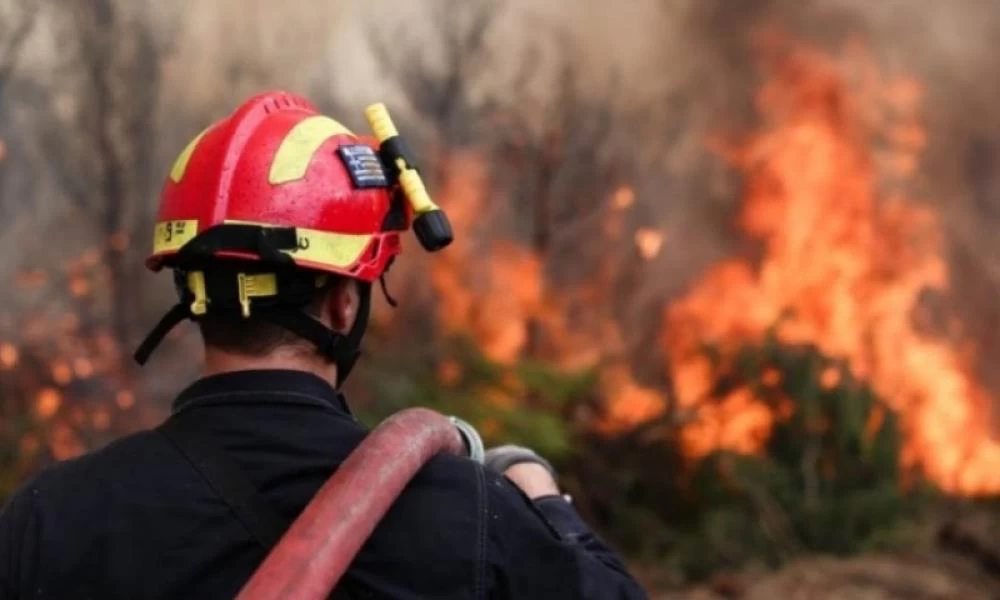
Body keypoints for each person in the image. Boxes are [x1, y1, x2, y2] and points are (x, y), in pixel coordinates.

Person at [0, 91, 647, 599]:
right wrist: (539, 495)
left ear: (191, 292)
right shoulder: (471, 516)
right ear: (344, 303)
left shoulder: (50, 518)